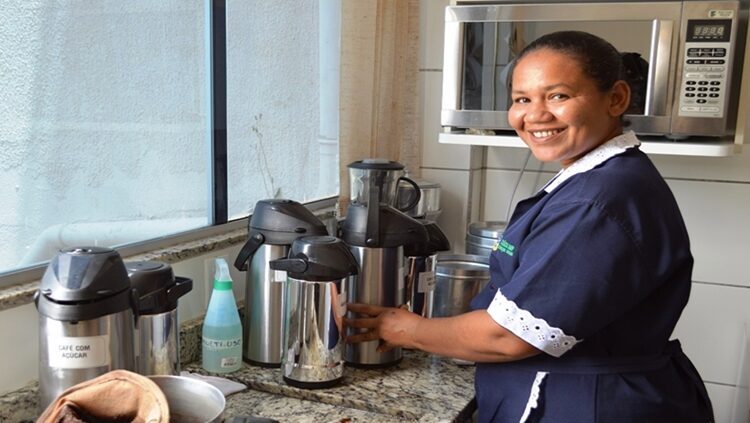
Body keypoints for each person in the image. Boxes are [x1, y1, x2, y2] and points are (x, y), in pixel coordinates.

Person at [345, 30, 714, 423]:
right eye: (522, 99)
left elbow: (509, 336)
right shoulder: (601, 178)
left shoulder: (596, 201)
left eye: (558, 96)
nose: (535, 115)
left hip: (589, 405)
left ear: (616, 98)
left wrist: (406, 329)